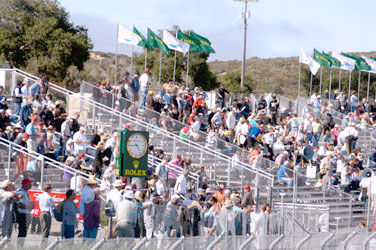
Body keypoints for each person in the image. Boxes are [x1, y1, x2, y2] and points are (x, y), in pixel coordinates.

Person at [16, 178, 35, 247]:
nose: (31, 185)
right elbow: (19, 205)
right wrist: (29, 206)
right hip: (21, 215)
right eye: (29, 183)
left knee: (24, 232)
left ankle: (21, 246)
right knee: (22, 232)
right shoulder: (21, 192)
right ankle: (19, 246)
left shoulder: (26, 192)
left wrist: (30, 205)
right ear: (25, 184)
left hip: (25, 214)